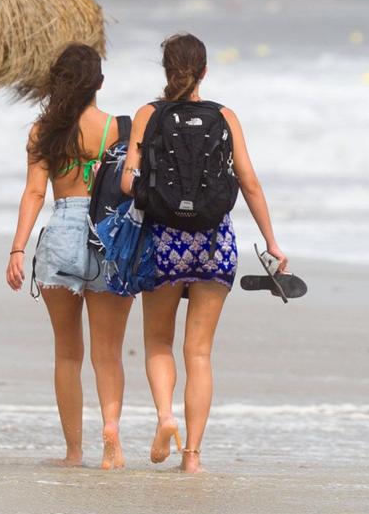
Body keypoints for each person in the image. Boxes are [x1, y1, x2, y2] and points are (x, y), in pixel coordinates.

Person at [121, 33, 288, 473]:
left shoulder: (148, 114)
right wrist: (272, 242)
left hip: (164, 242)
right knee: (199, 353)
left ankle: (165, 417)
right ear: (205, 72)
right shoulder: (225, 116)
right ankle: (192, 457)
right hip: (215, 243)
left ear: (165, 70)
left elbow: (127, 183)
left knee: (159, 341)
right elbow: (249, 182)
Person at [5, 43, 135, 470]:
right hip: (107, 237)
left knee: (67, 353)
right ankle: (111, 431)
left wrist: (18, 248)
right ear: (98, 82)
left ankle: (73, 451)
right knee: (108, 352)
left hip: (60, 234)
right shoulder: (118, 127)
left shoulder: (44, 130)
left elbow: (35, 193)